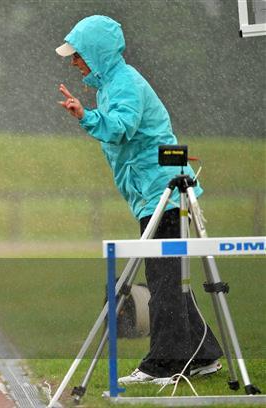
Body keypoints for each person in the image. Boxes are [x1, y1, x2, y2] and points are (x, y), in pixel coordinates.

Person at [56, 15, 222, 384]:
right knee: (170, 276)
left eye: (78, 54)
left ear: (96, 52)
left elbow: (119, 129)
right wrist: (91, 113)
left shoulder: (126, 83)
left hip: (163, 191)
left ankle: (164, 363)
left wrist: (85, 117)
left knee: (163, 279)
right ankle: (204, 353)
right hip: (151, 194)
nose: (74, 62)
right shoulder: (110, 87)